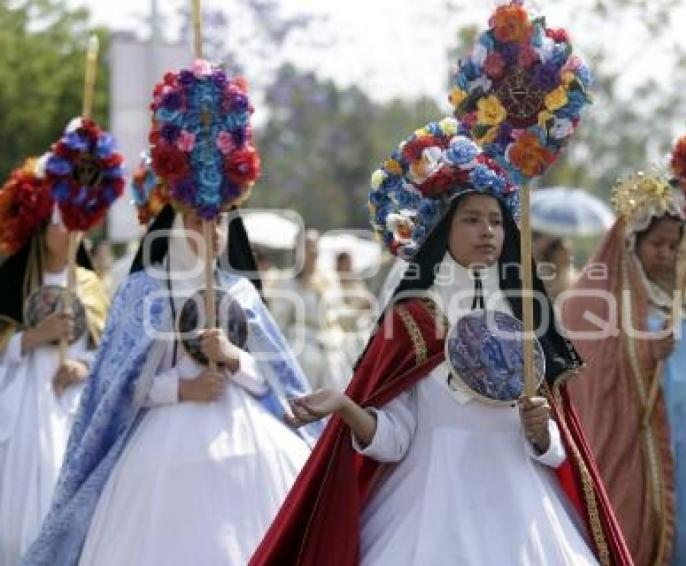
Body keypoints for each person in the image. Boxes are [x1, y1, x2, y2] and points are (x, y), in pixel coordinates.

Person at [251, 119, 631, 566]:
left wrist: (541, 433)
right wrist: (345, 407)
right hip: (429, 503)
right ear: (442, 229)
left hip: (523, 510)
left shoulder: (527, 317)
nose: (487, 231)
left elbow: (558, 445)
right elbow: (395, 440)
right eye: (471, 219)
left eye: (496, 220)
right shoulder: (413, 320)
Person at [23, 205, 321, 566]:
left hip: (248, 442)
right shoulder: (142, 291)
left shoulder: (240, 290)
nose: (214, 232)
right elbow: (116, 390)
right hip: (161, 449)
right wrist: (181, 390)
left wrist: (234, 359)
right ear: (177, 224)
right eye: (200, 221)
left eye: (222, 221)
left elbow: (275, 382)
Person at [562, 170, 686, 565]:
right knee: (642, 526)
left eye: (675, 246)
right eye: (658, 244)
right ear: (630, 243)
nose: (668, 255)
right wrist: (645, 351)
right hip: (639, 435)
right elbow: (589, 370)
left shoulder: (682, 294)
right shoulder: (596, 299)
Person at [0, 158, 109, 565]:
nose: (68, 233)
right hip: (22, 401)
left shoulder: (90, 286)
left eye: (73, 222)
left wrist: (83, 368)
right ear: (40, 227)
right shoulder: (12, 281)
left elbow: (106, 354)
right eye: (59, 223)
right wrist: (32, 338)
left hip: (72, 404)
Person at [266, 229, 350, 391]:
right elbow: (278, 322)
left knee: (338, 378)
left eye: (314, 247)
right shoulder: (286, 283)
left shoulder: (329, 279)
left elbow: (338, 313)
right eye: (307, 247)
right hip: (301, 343)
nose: (313, 252)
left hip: (331, 344)